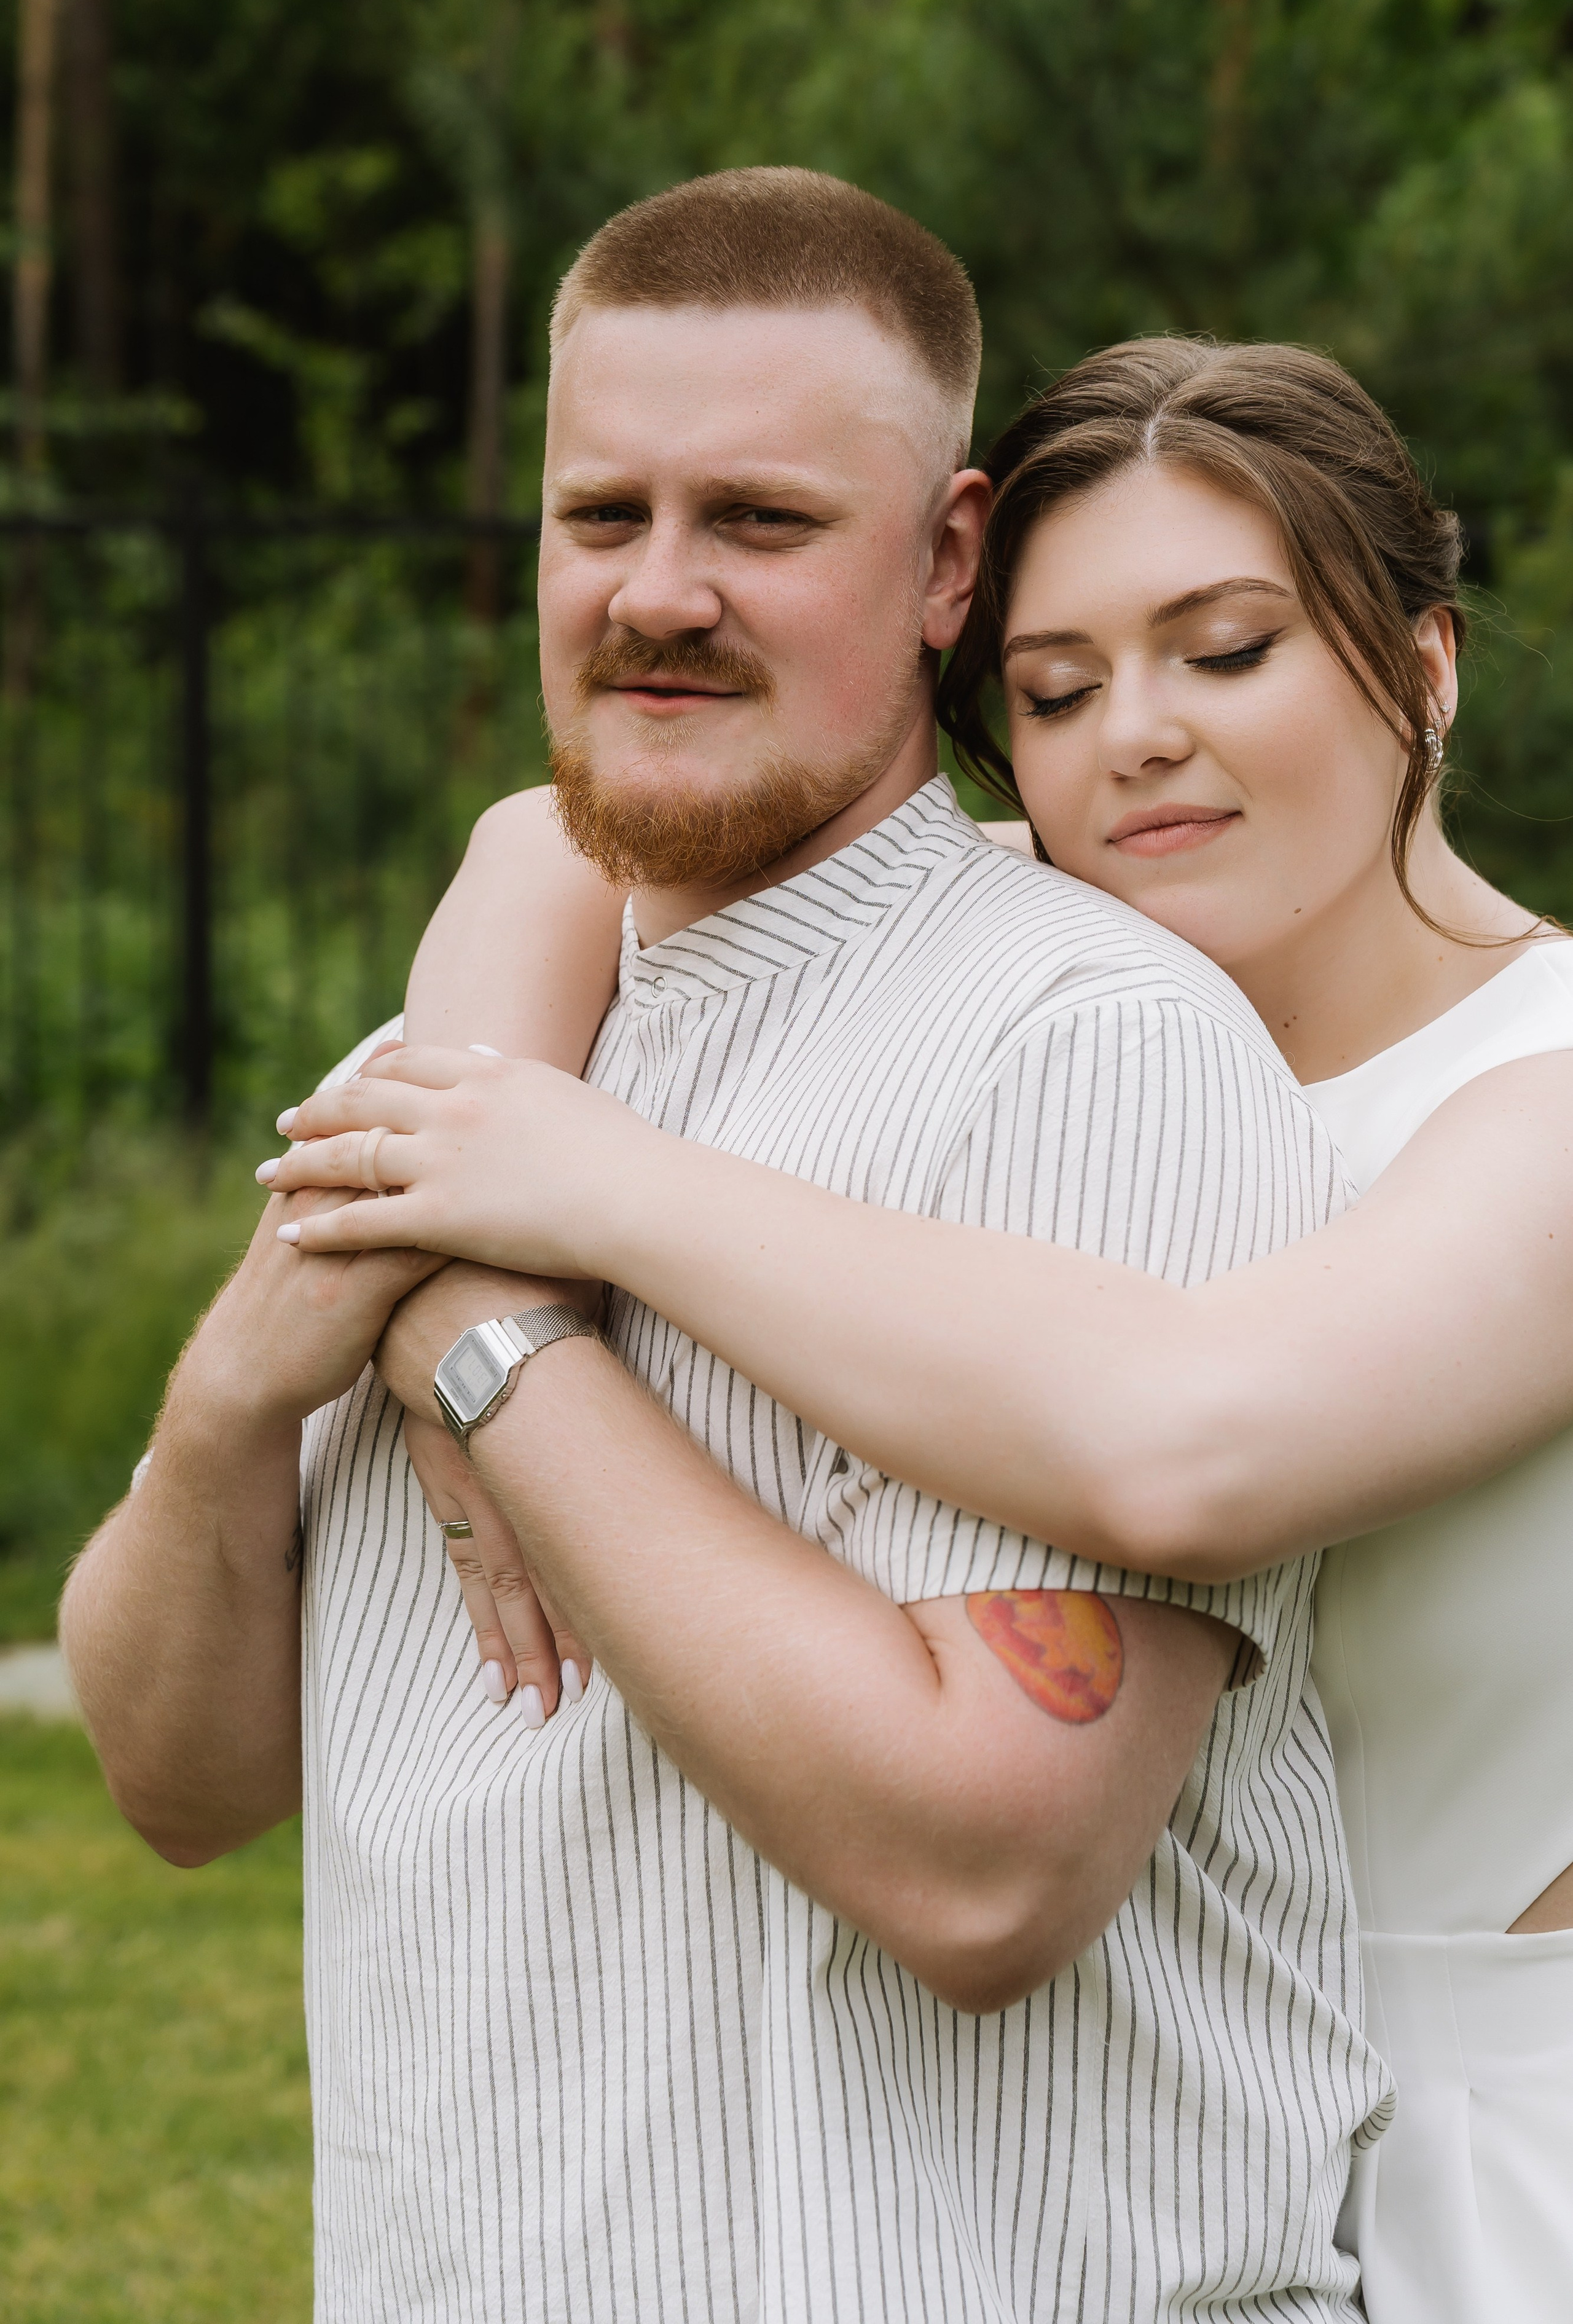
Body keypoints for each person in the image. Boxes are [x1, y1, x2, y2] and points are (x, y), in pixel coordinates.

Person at [62, 175, 1389, 2322]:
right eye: (603, 517)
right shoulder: (455, 1061)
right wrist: (239, 1391)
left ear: (951, 558)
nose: (657, 593)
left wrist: (482, 1337)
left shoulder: (1086, 1049)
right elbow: (174, 1778)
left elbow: (985, 1868)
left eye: (761, 523)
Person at [278, 334, 1573, 2324]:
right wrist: (488, 1241)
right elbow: (548, 846)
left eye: (1225, 651)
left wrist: (546, 1215)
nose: (1134, 736)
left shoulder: (1549, 1092)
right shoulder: (1045, 997)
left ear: (1426, 666)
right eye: (1055, 692)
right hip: (1104, 2132)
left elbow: (1186, 1452)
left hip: (1490, 2162)